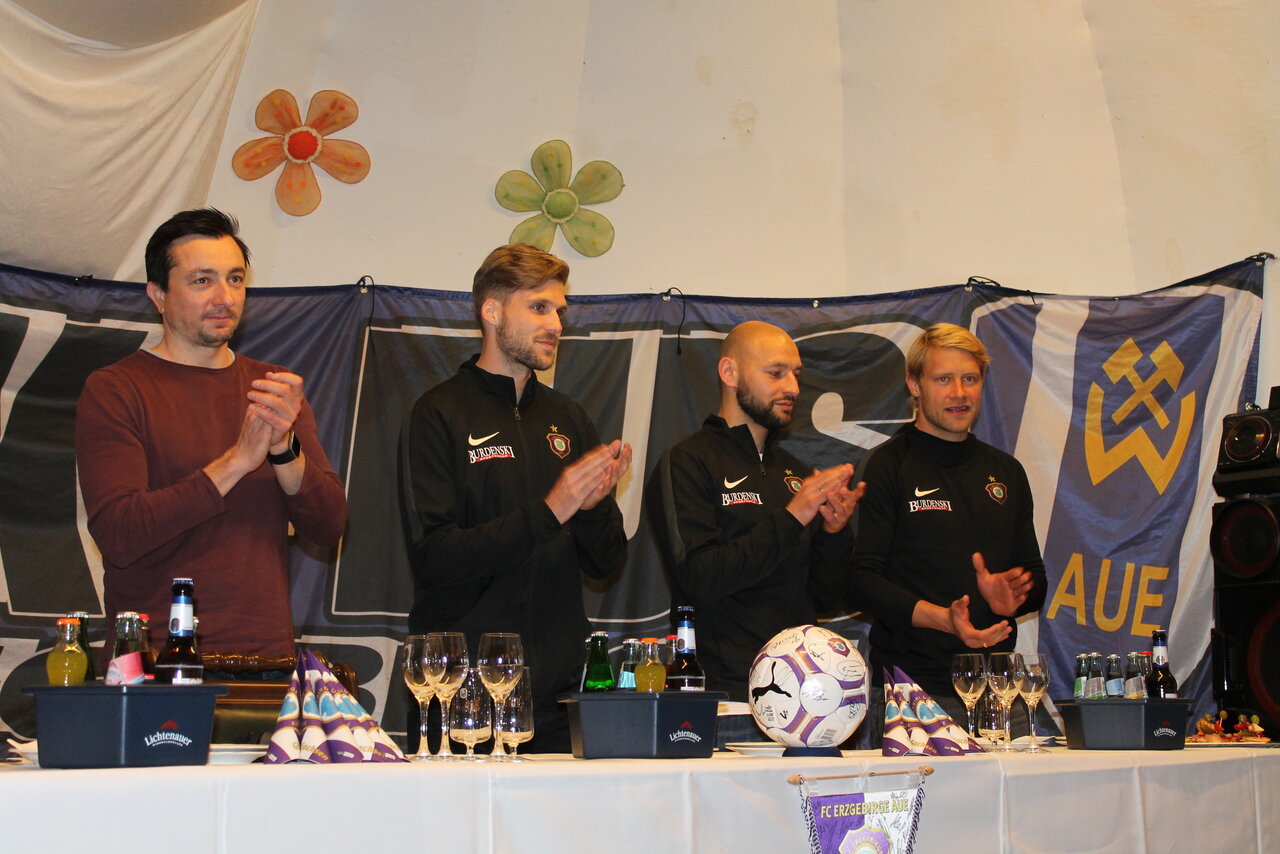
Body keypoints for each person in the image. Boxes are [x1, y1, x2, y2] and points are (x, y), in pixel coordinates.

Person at [75, 208, 348, 667]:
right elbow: (120, 534)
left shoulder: (272, 389)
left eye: (235, 279)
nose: (224, 297)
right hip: (155, 664)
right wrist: (237, 461)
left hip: (265, 662)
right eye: (202, 281)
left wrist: (284, 451)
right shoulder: (117, 389)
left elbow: (328, 525)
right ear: (158, 295)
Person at [401, 244, 630, 753]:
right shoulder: (437, 413)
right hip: (462, 693)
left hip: (559, 697)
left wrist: (591, 509)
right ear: (492, 311)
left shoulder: (569, 417)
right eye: (539, 308)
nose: (556, 325)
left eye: (560, 311)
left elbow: (607, 561)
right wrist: (551, 510)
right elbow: (435, 558)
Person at [650, 321, 863, 740]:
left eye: (796, 374)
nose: (792, 388)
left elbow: (824, 600)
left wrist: (834, 534)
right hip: (725, 701)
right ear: (729, 373)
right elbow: (698, 578)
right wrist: (792, 517)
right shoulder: (688, 461)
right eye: (775, 373)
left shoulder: (795, 474)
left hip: (806, 698)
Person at [849, 322, 1046, 737]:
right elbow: (861, 581)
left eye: (969, 379)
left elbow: (1036, 579)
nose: (959, 392)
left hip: (1000, 693)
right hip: (913, 692)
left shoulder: (1006, 471)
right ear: (914, 385)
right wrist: (944, 619)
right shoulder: (887, 465)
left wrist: (1011, 597)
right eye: (943, 379)